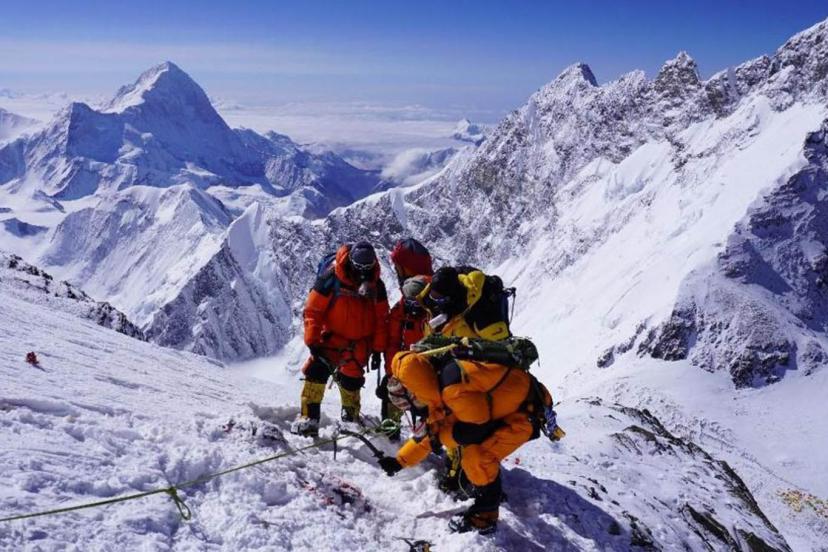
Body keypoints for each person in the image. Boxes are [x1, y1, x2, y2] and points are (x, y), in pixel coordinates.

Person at [377, 350, 555, 535]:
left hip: (525, 414)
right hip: (508, 409)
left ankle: (484, 517)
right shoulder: (434, 385)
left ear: (414, 394)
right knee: (469, 449)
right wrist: (400, 461)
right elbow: (432, 434)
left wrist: (440, 438)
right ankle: (486, 500)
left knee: (477, 457)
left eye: (408, 406)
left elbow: (474, 430)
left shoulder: (452, 391)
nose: (412, 411)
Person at [290, 241, 389, 437]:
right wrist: (312, 340)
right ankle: (309, 417)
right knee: (316, 371)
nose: (362, 273)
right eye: (359, 268)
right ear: (351, 262)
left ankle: (349, 419)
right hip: (331, 339)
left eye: (366, 268)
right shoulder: (331, 278)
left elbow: (381, 319)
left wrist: (378, 349)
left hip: (359, 343)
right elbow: (313, 311)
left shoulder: (377, 285)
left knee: (352, 380)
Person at [377, 238, 434, 441]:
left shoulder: (425, 299)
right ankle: (423, 444)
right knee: (391, 393)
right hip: (411, 372)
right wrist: (393, 373)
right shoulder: (407, 300)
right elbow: (394, 337)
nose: (396, 271)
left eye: (398, 267)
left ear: (407, 268)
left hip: (424, 377)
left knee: (426, 412)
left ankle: (392, 439)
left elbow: (395, 338)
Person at [420, 266, 511, 341]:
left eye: (440, 299)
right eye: (432, 296)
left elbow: (500, 346)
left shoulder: (481, 309)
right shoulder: (429, 303)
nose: (435, 302)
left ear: (451, 298)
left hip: (473, 360)